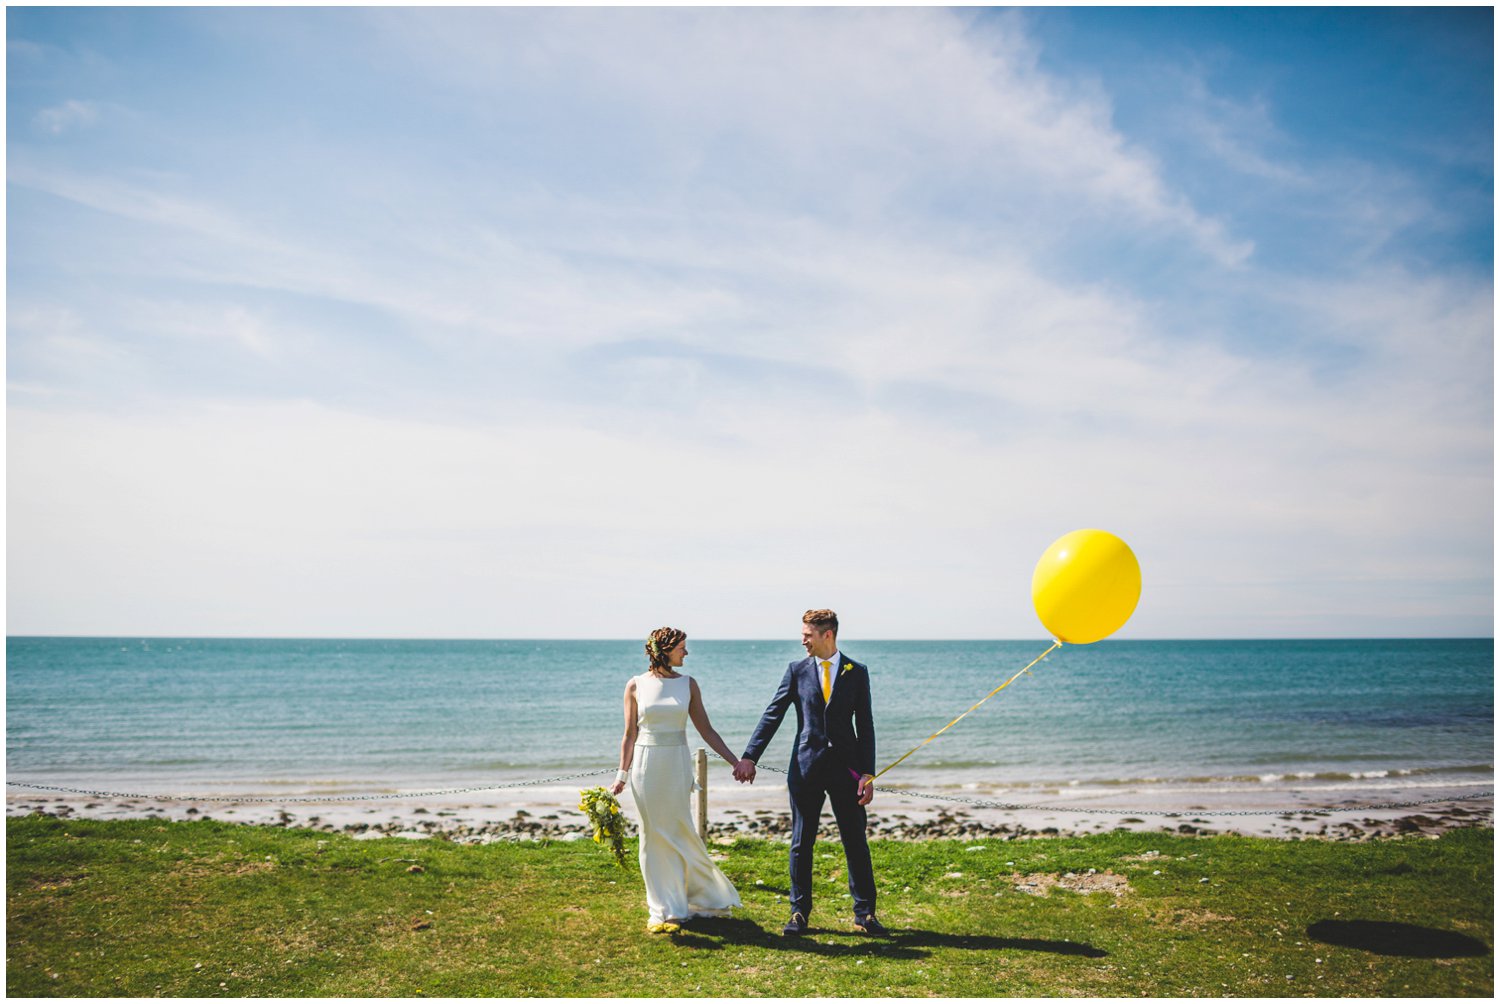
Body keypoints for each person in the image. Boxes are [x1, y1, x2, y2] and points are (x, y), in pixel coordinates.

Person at [734, 609, 887, 936]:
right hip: (805, 768)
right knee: (802, 842)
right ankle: (798, 913)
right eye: (803, 634)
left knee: (855, 841)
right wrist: (750, 756)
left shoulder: (856, 672)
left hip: (847, 771)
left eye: (808, 635)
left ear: (827, 635)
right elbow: (772, 714)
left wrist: (868, 773)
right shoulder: (796, 671)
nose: (803, 640)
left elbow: (866, 725)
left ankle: (865, 914)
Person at [610, 626, 742, 933]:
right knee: (653, 836)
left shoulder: (689, 684)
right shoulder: (635, 685)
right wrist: (622, 775)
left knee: (680, 830)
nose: (686, 652)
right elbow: (629, 735)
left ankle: (698, 894)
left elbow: (707, 730)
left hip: (677, 764)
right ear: (665, 649)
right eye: (682, 647)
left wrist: (735, 761)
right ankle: (664, 908)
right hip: (646, 766)